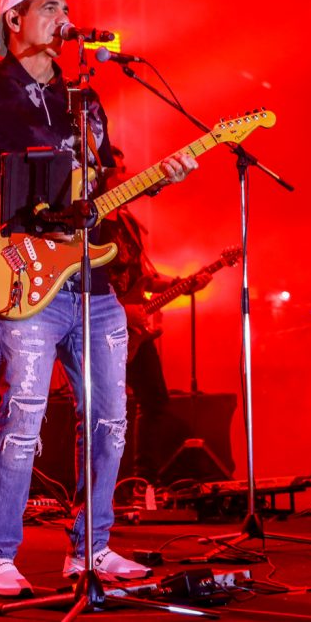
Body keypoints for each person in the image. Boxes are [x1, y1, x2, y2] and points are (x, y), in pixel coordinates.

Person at [0, 0, 199, 598]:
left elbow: (98, 188)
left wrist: (160, 177)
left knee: (110, 418)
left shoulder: (81, 100)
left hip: (93, 280)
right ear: (14, 20)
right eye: (49, 7)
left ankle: (92, 547)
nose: (63, 17)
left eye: (66, 7)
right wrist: (26, 221)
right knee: (22, 416)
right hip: (23, 269)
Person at [97, 146, 211, 483]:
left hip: (134, 330)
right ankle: (105, 486)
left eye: (124, 169)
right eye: (117, 171)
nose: (124, 177)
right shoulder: (92, 225)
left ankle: (142, 479)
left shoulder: (128, 222)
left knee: (155, 400)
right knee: (105, 407)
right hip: (102, 325)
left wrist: (181, 285)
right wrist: (121, 310)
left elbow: (144, 277)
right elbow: (77, 282)